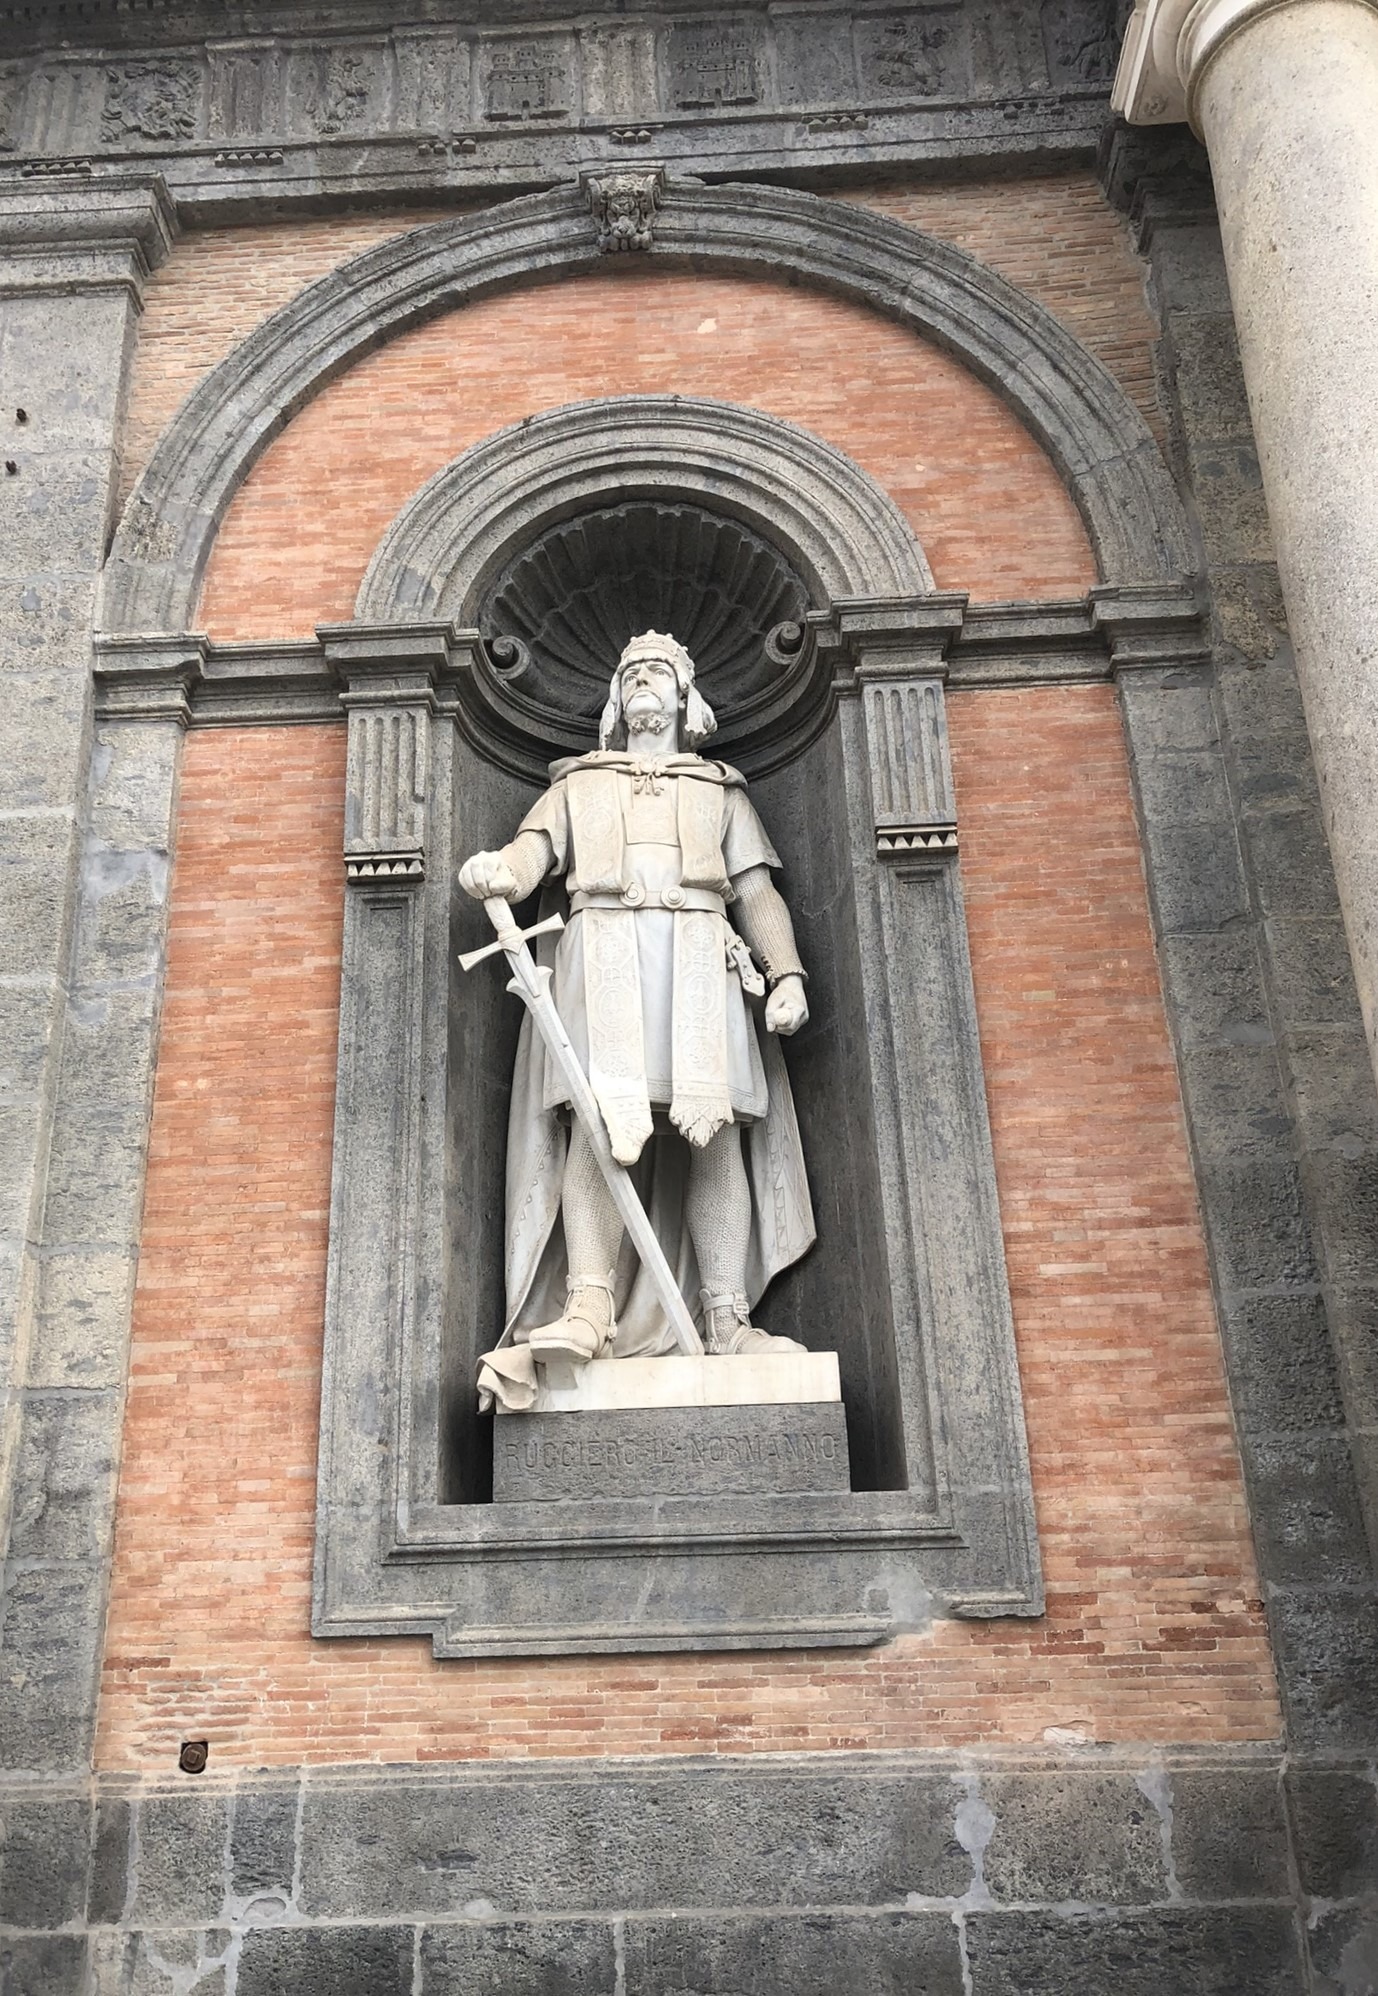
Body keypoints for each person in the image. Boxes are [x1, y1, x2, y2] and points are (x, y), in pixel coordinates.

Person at [461, 630, 815, 1412]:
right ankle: (589, 1302)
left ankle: (727, 1314)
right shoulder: (578, 785)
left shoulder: (719, 791)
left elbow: (756, 893)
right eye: (633, 675)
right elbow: (530, 854)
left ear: (687, 699)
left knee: (714, 1126)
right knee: (599, 1124)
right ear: (617, 700)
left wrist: (785, 975)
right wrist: (500, 872)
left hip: (699, 955)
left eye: (659, 673)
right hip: (605, 951)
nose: (645, 684)